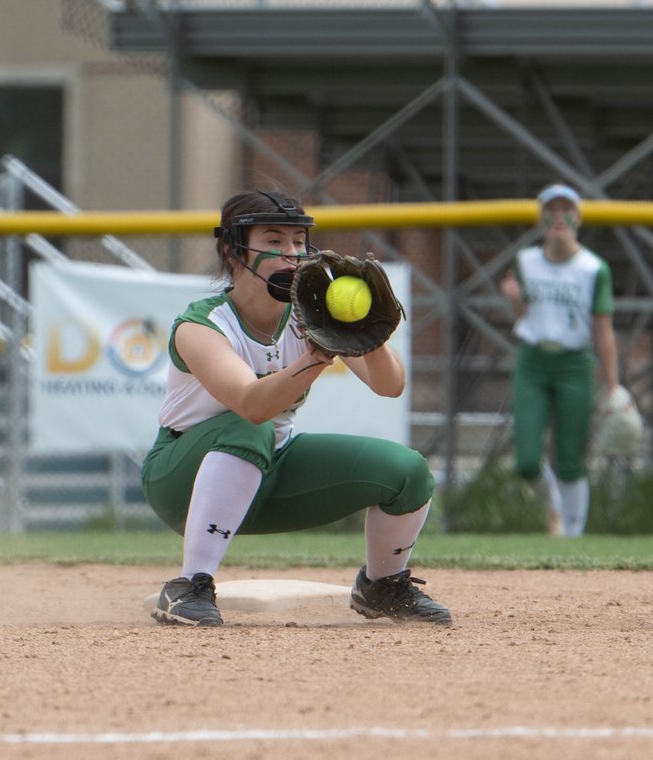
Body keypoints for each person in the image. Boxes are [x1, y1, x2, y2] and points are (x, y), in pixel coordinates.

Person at [141, 190, 451, 627]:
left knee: (406, 472)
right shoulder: (202, 325)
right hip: (181, 482)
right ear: (233, 249)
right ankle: (188, 584)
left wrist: (367, 334)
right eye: (274, 240)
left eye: (297, 241)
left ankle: (382, 586)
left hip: (269, 470)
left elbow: (390, 385)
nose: (291, 253)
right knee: (253, 429)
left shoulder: (309, 314)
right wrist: (315, 358)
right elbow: (251, 405)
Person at [498, 183, 619, 537]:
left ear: (578, 217)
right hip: (533, 361)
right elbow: (524, 313)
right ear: (542, 217)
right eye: (551, 209)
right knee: (526, 461)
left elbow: (604, 330)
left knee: (570, 457)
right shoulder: (526, 260)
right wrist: (514, 299)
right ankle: (554, 508)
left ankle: (573, 535)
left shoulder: (593, 268)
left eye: (566, 208)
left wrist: (612, 385)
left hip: (574, 363)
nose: (559, 216)